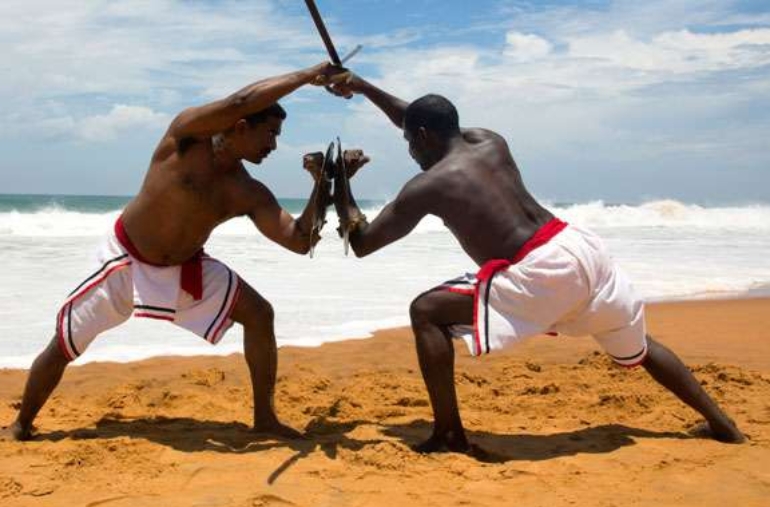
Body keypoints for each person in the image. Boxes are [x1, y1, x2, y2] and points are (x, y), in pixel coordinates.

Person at [327, 74, 745, 453]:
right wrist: (362, 87)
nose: (410, 152)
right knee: (640, 345)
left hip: (541, 272)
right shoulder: (490, 140)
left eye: (409, 142)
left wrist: (340, 181)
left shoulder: (428, 185)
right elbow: (422, 119)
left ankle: (449, 434)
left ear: (423, 136)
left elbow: (362, 243)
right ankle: (724, 426)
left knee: (426, 311)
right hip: (582, 249)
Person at [2, 62, 348, 442]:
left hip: (186, 267)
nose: (274, 146)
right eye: (270, 133)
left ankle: (265, 418)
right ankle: (22, 424)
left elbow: (299, 241)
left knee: (260, 314)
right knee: (65, 343)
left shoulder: (247, 190)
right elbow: (241, 99)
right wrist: (309, 76)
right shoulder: (185, 138)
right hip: (125, 260)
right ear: (240, 127)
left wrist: (323, 186)